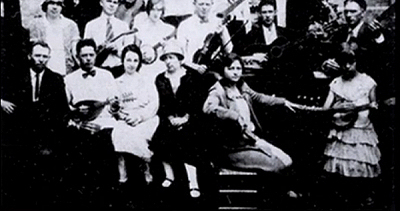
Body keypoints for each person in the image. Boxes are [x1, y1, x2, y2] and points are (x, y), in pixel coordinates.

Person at [203, 53, 301, 199]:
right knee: (277, 164)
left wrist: (283, 102)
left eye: (238, 68)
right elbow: (208, 108)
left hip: (250, 139)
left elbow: (258, 97)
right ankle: (277, 196)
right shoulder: (217, 90)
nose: (236, 72)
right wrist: (232, 115)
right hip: (232, 148)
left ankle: (281, 193)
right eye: (231, 68)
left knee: (287, 160)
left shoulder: (241, 86)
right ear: (223, 70)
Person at [2, 41, 69, 208]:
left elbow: (62, 112)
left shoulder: (55, 79)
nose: (41, 60)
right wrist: (1, 101)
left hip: (44, 135)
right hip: (18, 132)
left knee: (45, 173)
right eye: (38, 55)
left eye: (45, 57)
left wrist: (51, 140)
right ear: (29, 56)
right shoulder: (15, 75)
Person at [319, 49, 381, 209]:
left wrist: (365, 107)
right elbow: (325, 109)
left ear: (356, 62)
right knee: (341, 168)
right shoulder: (336, 83)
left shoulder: (368, 82)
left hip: (361, 130)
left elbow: (374, 106)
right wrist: (337, 108)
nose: (347, 67)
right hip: (341, 131)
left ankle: (363, 199)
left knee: (361, 165)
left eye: (350, 63)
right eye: (343, 64)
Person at [64, 38, 119, 207]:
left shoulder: (107, 75)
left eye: (91, 55)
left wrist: (113, 106)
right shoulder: (69, 79)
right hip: (81, 126)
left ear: (96, 55)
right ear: (77, 57)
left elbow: (114, 108)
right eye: (84, 55)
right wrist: (78, 121)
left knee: (105, 157)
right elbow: (67, 108)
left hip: (104, 126)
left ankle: (106, 200)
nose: (88, 58)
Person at [150, 40, 206, 198]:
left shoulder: (191, 76)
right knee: (160, 139)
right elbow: (159, 102)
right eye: (166, 58)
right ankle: (170, 175)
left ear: (180, 59)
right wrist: (169, 117)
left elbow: (198, 101)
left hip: (190, 118)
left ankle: (193, 182)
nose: (168, 61)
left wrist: (186, 118)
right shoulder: (160, 79)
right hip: (169, 118)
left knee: (188, 141)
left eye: (172, 57)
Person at [111, 44, 159, 185]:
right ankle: (122, 172)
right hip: (125, 118)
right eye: (128, 60)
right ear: (123, 61)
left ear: (139, 62)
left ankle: (146, 166)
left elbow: (154, 103)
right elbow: (113, 107)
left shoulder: (146, 80)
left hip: (146, 117)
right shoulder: (117, 82)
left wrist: (140, 117)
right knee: (118, 134)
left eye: (135, 60)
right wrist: (120, 114)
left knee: (138, 135)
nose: (131, 64)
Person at [321, 0, 386, 83]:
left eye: (353, 11)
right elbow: (328, 55)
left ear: (363, 13)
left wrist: (378, 37)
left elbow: (384, 60)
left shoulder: (372, 33)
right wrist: (326, 64)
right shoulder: (340, 32)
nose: (348, 15)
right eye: (346, 11)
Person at [177, 0, 233, 75]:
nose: (204, 7)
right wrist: (195, 66)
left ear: (212, 5)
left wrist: (222, 33)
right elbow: (180, 54)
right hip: (191, 70)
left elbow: (228, 50)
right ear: (194, 4)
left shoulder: (218, 23)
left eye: (207, 4)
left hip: (214, 69)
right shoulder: (185, 25)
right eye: (201, 4)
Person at [26, 0, 80, 76]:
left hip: (64, 68)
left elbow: (75, 49)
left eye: (58, 4)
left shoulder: (70, 25)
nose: (54, 7)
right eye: (51, 3)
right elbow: (33, 48)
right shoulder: (36, 24)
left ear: (62, 7)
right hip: (44, 66)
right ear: (46, 5)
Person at [84, 0, 137, 73]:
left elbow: (129, 53)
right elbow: (86, 51)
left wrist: (117, 50)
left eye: (115, 3)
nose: (112, 5)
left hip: (118, 68)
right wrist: (100, 49)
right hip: (98, 68)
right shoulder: (91, 25)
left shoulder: (123, 26)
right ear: (101, 2)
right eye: (109, 1)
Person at [135, 0, 176, 82]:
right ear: (148, 10)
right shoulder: (140, 27)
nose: (156, 13)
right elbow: (135, 49)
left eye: (159, 10)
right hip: (144, 67)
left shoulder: (169, 29)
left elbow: (172, 52)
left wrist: (167, 47)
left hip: (161, 66)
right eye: (153, 9)